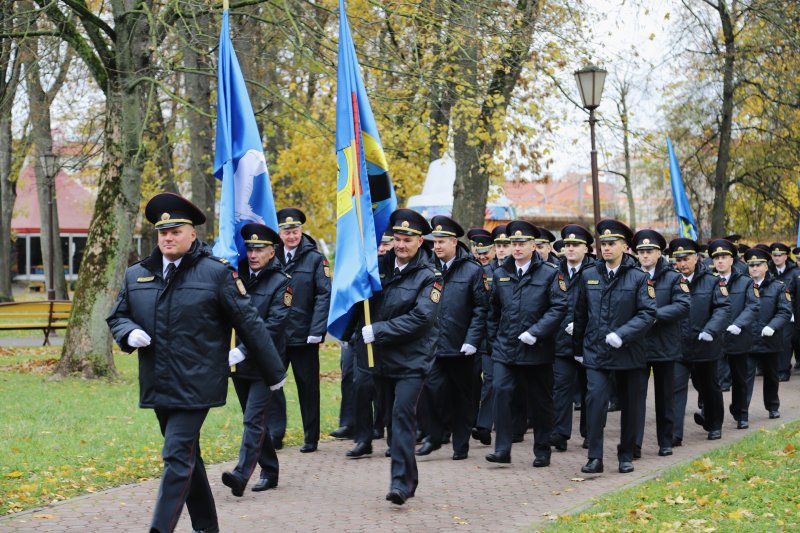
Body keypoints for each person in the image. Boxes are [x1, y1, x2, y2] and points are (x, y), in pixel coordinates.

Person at [107, 193, 285, 533]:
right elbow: (118, 316)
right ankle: (207, 526)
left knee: (175, 456)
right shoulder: (137, 275)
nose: (168, 238)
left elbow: (250, 323)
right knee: (188, 456)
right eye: (163, 232)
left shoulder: (216, 274)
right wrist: (128, 333)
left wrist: (274, 373)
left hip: (198, 382)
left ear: (192, 234)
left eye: (176, 230)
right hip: (158, 382)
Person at [350, 208, 440, 505]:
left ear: (420, 242)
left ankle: (400, 483)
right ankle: (407, 478)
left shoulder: (430, 276)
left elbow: (422, 318)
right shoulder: (375, 269)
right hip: (380, 359)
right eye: (397, 239)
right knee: (389, 420)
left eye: (407, 240)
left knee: (402, 418)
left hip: (412, 361)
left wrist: (380, 329)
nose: (400, 245)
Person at [572, 219, 656, 474]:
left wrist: (622, 334)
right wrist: (577, 348)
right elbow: (580, 314)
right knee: (595, 402)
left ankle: (626, 455)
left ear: (625, 247)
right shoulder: (589, 275)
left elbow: (647, 313)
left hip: (629, 352)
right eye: (603, 244)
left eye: (611, 244)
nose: (606, 248)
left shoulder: (639, 277)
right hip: (596, 351)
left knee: (630, 406)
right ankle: (594, 456)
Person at [485, 220, 568, 467]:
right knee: (501, 392)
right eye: (513, 243)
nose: (517, 247)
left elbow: (559, 306)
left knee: (540, 401)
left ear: (533, 245)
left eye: (522, 243)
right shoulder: (500, 274)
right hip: (506, 348)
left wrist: (537, 332)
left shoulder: (550, 273)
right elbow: (493, 311)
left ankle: (542, 449)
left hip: (537, 350)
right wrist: (493, 340)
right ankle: (502, 449)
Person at [222, 223, 292, 496]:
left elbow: (274, 325)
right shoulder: (233, 275)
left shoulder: (282, 282)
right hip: (238, 362)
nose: (253, 253)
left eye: (259, 249)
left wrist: (245, 349)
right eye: (250, 248)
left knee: (253, 419)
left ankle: (241, 474)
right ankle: (271, 469)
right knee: (254, 420)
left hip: (265, 362)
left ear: (272, 252)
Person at [417, 216, 489, 460]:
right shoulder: (427, 268)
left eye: (442, 241)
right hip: (433, 344)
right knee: (431, 392)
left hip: (461, 346)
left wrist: (472, 340)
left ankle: (461, 444)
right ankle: (434, 436)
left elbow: (481, 309)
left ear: (454, 242)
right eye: (435, 241)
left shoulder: (472, 270)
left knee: (462, 398)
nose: (437, 246)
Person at [268, 207, 331, 453]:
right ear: (280, 233)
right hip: (277, 335)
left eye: (294, 231)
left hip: (305, 336)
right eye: (286, 231)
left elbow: (323, 295)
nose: (291, 236)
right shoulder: (272, 257)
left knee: (308, 388)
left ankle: (311, 437)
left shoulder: (315, 259)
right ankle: (275, 434)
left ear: (301, 231)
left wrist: (317, 330)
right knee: (272, 385)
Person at [632, 229, 690, 457]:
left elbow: (683, 305)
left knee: (666, 397)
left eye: (649, 251)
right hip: (637, 345)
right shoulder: (631, 276)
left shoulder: (674, 277)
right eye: (641, 252)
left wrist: (653, 315)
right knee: (635, 398)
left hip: (665, 344)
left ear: (659, 253)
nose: (645, 256)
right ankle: (633, 444)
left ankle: (665, 441)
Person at [670, 237, 730, 444]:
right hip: (678, 346)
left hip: (705, 345)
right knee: (675, 388)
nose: (682, 264)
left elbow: (723, 308)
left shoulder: (713, 281)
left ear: (696, 258)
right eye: (678, 260)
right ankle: (674, 433)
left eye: (685, 259)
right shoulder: (670, 280)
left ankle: (714, 425)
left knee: (709, 387)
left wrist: (711, 330)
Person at [550, 224, 593, 453]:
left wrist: (582, 325)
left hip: (588, 341)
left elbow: (602, 305)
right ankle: (560, 433)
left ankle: (589, 433)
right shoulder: (554, 272)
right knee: (561, 388)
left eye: (576, 245)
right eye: (567, 244)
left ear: (586, 249)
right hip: (561, 341)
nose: (571, 248)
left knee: (590, 390)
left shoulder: (596, 271)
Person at [710, 239, 758, 429]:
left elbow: (753, 306)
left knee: (740, 378)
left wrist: (739, 324)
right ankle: (710, 413)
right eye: (717, 258)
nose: (720, 261)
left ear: (732, 260)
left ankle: (741, 413)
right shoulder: (709, 280)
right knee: (712, 379)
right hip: (715, 338)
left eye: (724, 257)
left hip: (738, 337)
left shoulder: (746, 282)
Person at [744, 247, 792, 419]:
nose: (754, 268)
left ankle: (772, 406)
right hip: (748, 339)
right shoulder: (743, 286)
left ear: (766, 267)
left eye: (758, 265)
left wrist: (773, 326)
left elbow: (785, 311)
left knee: (771, 377)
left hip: (770, 340)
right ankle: (742, 412)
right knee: (745, 378)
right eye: (751, 265)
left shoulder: (778, 287)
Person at [769, 242, 796, 382]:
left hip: (788, 313)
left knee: (785, 342)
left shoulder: (795, 273)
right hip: (770, 312)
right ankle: (771, 369)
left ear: (786, 256)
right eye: (774, 255)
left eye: (780, 255)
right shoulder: (767, 269)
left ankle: (783, 370)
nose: (777, 258)